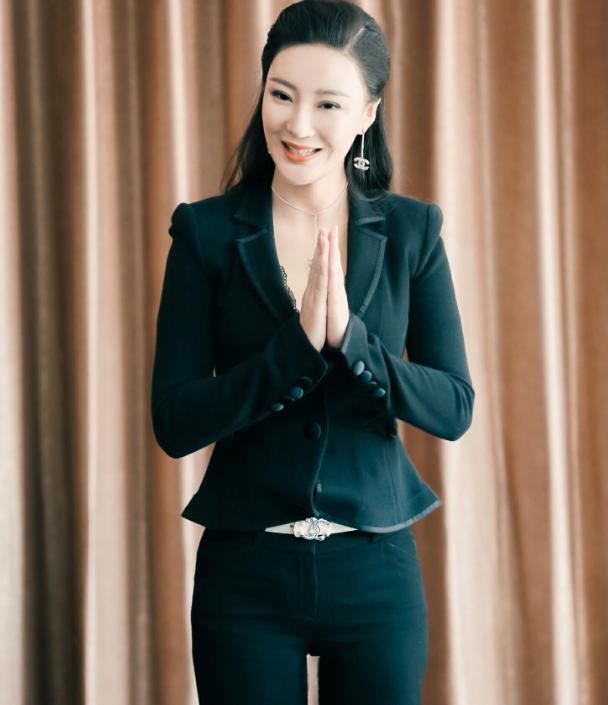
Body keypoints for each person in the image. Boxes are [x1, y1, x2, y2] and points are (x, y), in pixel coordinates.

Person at [150, 1, 475, 703]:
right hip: (245, 575)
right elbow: (174, 422)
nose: (298, 125)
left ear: (367, 114)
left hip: (376, 571)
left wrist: (352, 343)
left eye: (328, 103)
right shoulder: (205, 234)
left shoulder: (412, 231)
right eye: (281, 94)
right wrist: (291, 352)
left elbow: (454, 407)